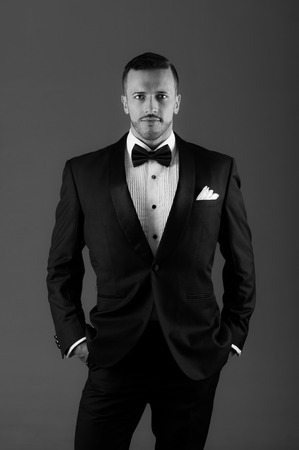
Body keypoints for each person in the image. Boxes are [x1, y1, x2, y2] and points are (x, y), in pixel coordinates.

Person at [47, 52, 256, 450]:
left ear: (177, 101)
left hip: (193, 356)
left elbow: (242, 264)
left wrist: (232, 337)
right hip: (114, 352)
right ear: (124, 101)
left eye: (161, 96)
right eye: (140, 96)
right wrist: (73, 338)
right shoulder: (82, 172)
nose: (151, 106)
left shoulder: (218, 169)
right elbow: (61, 266)